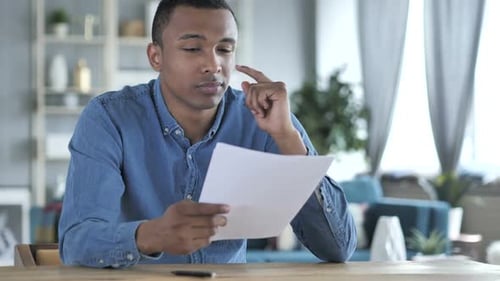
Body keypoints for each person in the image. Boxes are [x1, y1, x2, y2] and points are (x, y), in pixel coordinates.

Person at [58, 0, 356, 268]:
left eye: (225, 49)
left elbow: (338, 249)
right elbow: (76, 241)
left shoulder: (264, 118)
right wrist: (153, 234)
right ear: (155, 56)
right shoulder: (109, 118)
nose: (214, 65)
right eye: (192, 48)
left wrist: (289, 139)